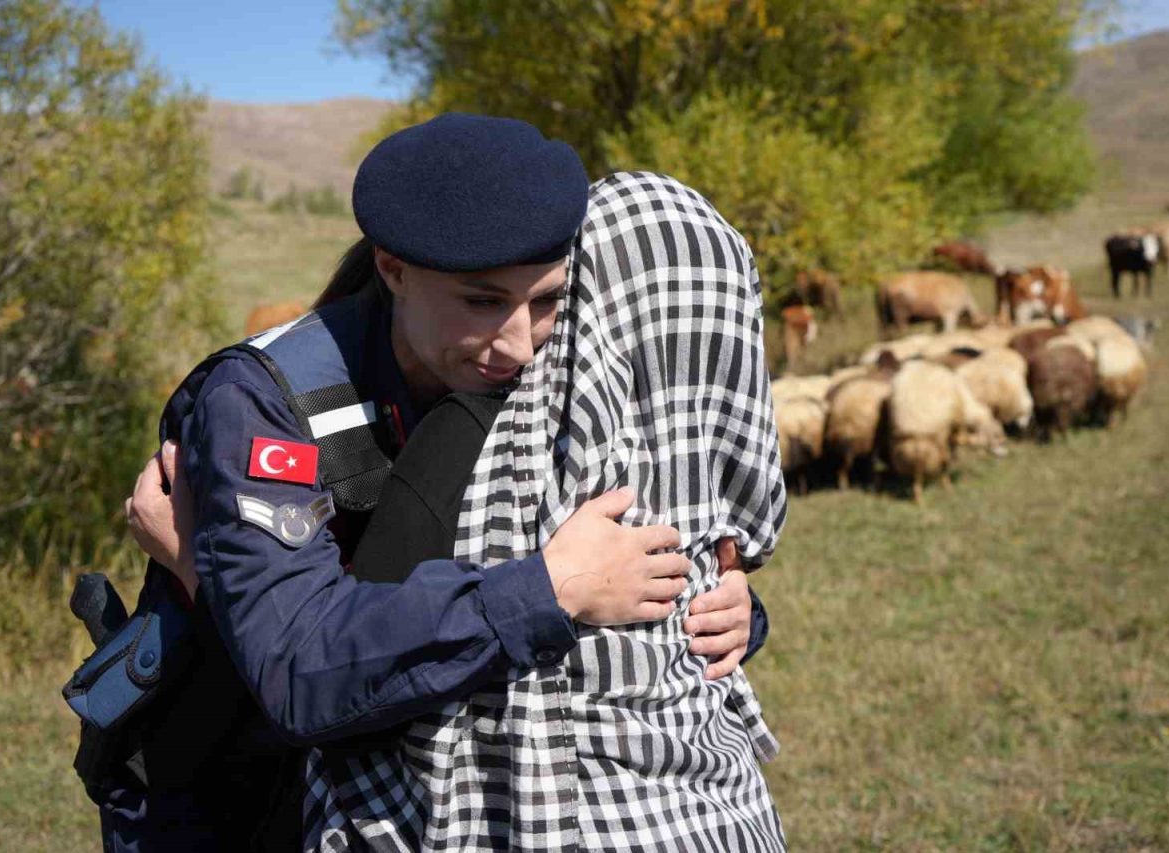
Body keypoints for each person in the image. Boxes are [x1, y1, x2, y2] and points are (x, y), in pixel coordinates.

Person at [111, 114, 760, 851]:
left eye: (546, 299)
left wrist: (723, 606)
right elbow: (296, 667)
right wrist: (546, 589)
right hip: (228, 784)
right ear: (393, 269)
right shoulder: (263, 399)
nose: (518, 342)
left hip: (399, 791)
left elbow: (620, 545)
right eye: (481, 301)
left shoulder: (548, 365)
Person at [304, 171, 788, 851]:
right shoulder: (708, 465)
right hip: (719, 816)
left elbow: (353, 662)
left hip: (528, 816)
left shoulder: (474, 435)